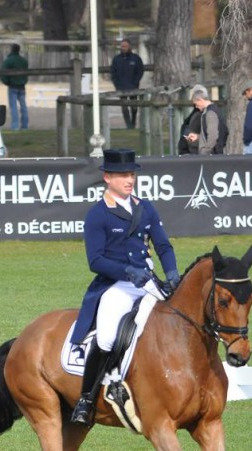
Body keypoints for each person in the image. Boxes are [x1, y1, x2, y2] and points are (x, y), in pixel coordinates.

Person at [69, 148, 180, 425]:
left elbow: (163, 245)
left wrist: (173, 274)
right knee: (106, 337)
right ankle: (86, 398)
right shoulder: (98, 214)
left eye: (131, 174)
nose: (129, 180)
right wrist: (127, 271)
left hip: (149, 282)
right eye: (122, 176)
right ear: (107, 177)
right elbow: (95, 261)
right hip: (116, 285)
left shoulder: (146, 207)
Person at [110, 39, 145, 129]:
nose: (123, 48)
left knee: (134, 106)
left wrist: (135, 81)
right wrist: (116, 83)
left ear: (129, 47)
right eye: (122, 46)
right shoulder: (116, 59)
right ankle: (128, 124)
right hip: (121, 87)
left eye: (125, 46)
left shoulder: (136, 58)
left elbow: (140, 71)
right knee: (124, 107)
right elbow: (113, 72)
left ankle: (133, 121)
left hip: (133, 86)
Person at [188, 85, 227, 155]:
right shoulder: (214, 110)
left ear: (200, 100)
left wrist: (206, 151)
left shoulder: (210, 113)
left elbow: (213, 136)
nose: (196, 107)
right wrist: (198, 137)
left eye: (196, 104)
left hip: (212, 154)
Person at [0, 44, 29, 130]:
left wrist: (7, 82)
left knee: (13, 107)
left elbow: (3, 73)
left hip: (12, 86)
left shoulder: (8, 61)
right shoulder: (24, 61)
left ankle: (15, 126)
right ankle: (25, 125)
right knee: (23, 106)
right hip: (22, 86)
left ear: (11, 50)